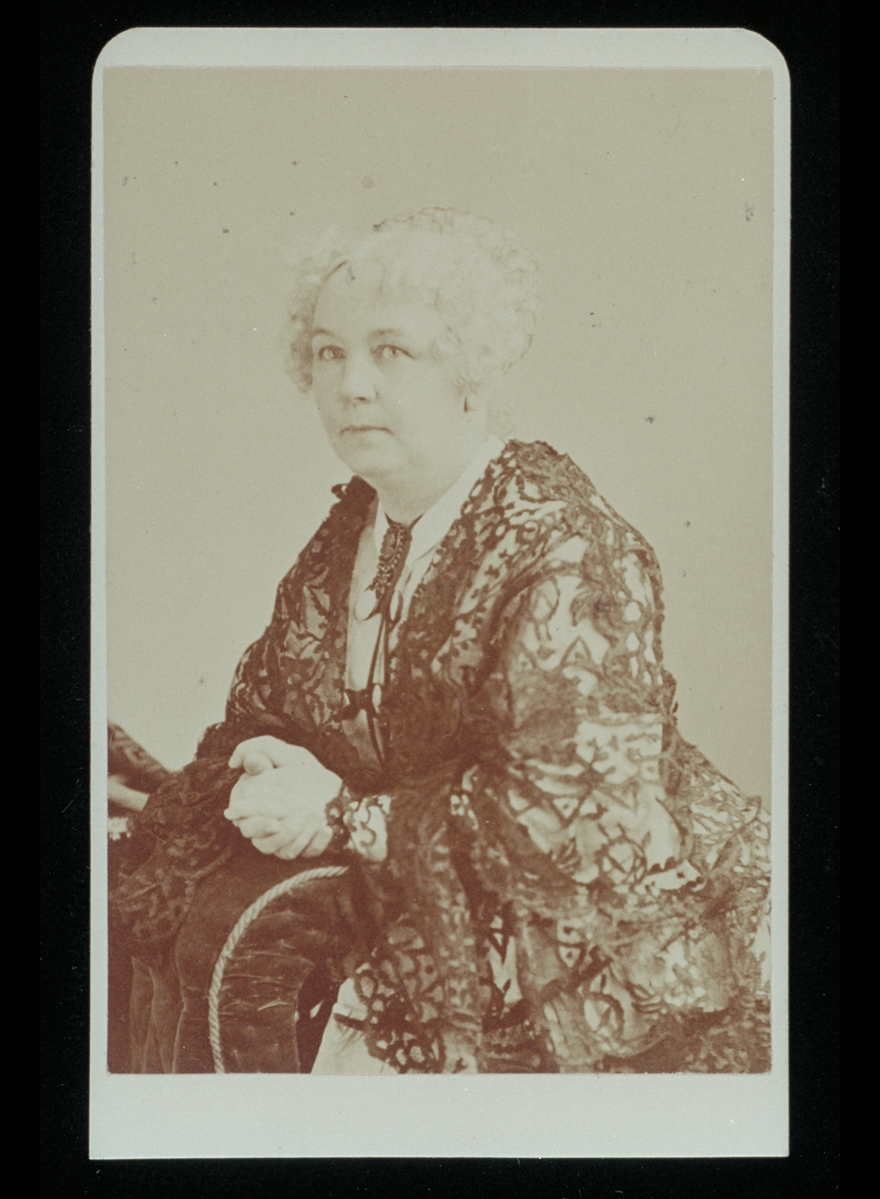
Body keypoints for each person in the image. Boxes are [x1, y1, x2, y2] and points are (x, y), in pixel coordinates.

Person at [111, 208, 770, 1075]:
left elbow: (576, 818)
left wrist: (341, 815)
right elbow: (276, 707)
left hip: (577, 933)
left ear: (472, 367)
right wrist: (269, 761)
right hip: (413, 887)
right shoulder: (355, 530)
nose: (351, 385)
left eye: (392, 350)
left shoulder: (563, 542)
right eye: (328, 352)